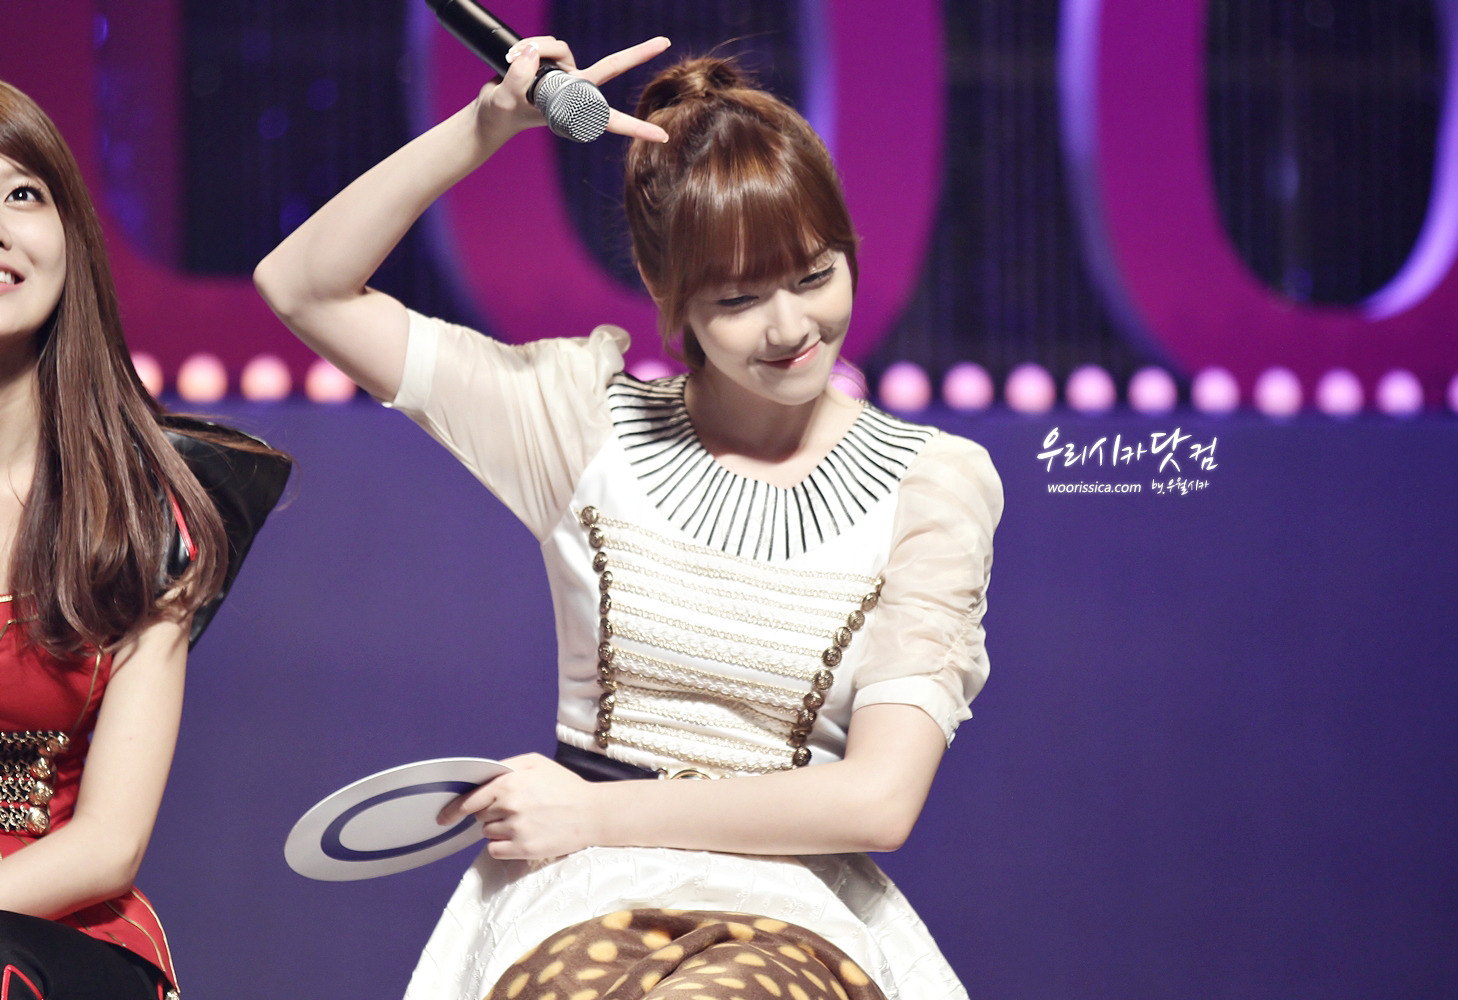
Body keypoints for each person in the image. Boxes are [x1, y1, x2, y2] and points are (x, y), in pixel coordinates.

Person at [256, 34, 1001, 1000]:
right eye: (739, 297)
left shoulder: (930, 484)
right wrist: (484, 127)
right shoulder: (580, 423)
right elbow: (302, 287)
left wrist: (590, 816)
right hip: (583, 899)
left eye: (815, 276)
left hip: (788, 905)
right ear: (665, 293)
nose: (790, 328)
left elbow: (879, 801)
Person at [0, 81, 289, 999]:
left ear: (70, 235)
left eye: (21, 194)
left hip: (50, 925)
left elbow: (108, 845)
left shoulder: (147, 511)